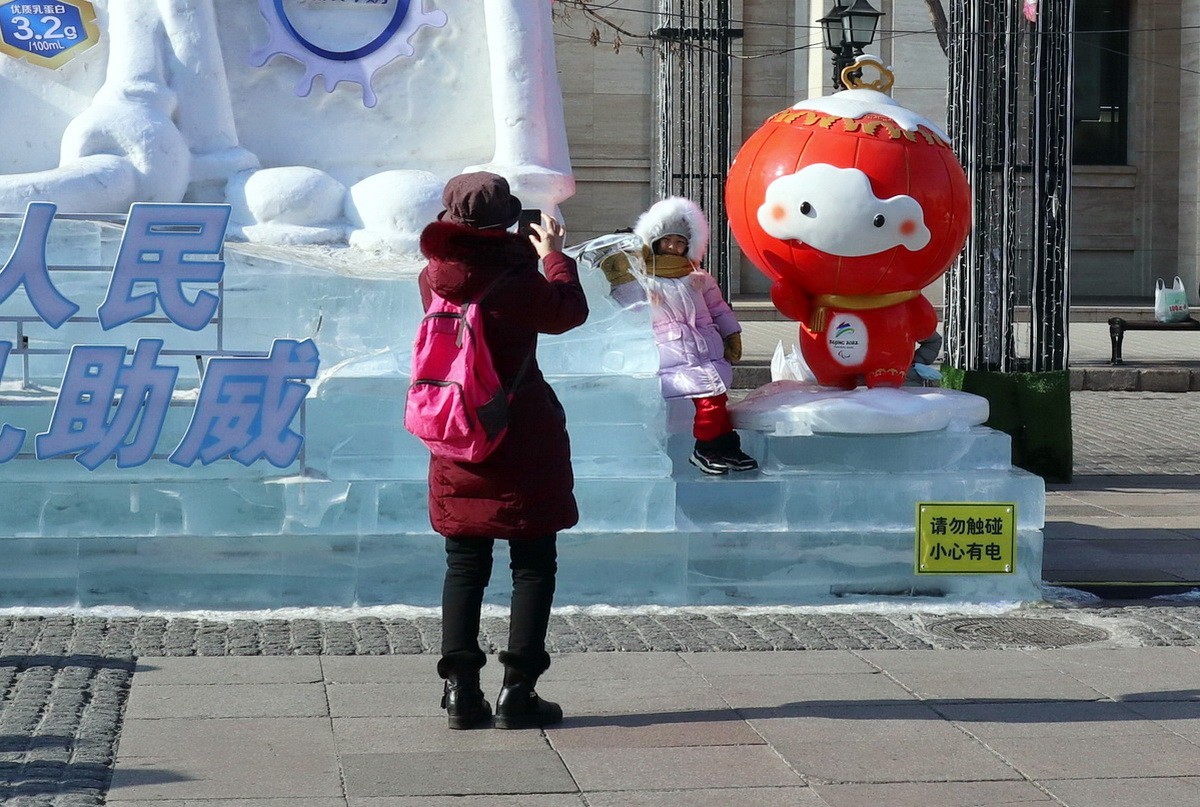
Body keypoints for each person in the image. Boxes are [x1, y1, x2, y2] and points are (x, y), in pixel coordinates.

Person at [418, 172, 588, 730]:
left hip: (456, 428)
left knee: (464, 563)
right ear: (506, 221)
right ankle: (520, 691)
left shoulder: (433, 278)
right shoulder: (517, 280)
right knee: (533, 562)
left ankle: (461, 693)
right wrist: (555, 257)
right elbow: (567, 312)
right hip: (520, 431)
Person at [599, 197, 757, 475]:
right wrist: (620, 276)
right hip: (674, 355)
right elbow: (626, 305)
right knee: (710, 402)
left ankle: (726, 445)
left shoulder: (699, 278)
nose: (673, 246)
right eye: (667, 240)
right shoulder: (645, 280)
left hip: (706, 351)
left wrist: (732, 334)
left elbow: (718, 309)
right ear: (656, 242)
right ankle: (705, 449)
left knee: (718, 399)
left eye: (680, 242)